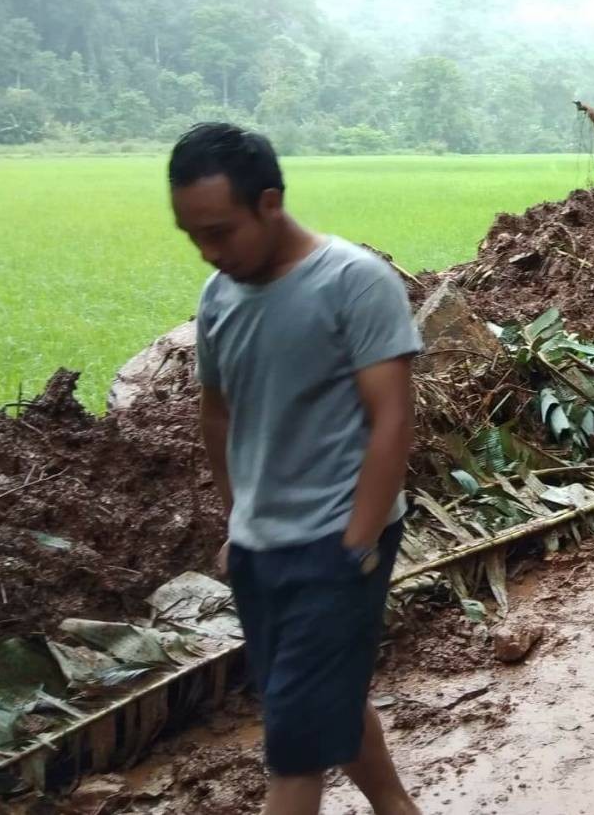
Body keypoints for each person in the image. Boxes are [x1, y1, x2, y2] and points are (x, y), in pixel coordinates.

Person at [169, 122, 423, 815]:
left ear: (269, 203)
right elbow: (217, 416)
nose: (207, 252)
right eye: (193, 236)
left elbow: (392, 419)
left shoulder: (352, 283)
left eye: (220, 232)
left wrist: (357, 543)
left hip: (337, 545)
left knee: (292, 747)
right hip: (260, 548)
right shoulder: (219, 299)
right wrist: (236, 517)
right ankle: (398, 809)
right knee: (320, 701)